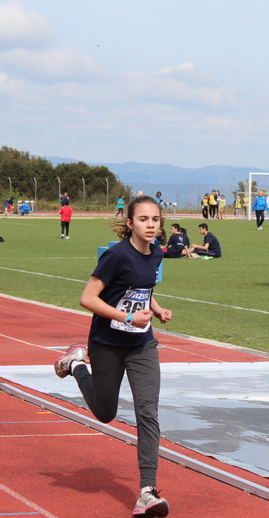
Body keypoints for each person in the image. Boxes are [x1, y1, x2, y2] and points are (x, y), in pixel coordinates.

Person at [53, 195, 172, 518]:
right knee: (105, 413)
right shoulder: (115, 256)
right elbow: (87, 298)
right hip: (107, 343)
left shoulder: (157, 253)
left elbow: (142, 289)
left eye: (156, 220)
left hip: (141, 344)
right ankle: (76, 364)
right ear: (130, 223)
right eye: (144, 219)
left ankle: (147, 491)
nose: (151, 225)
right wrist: (127, 318)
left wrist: (156, 309)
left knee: (148, 411)